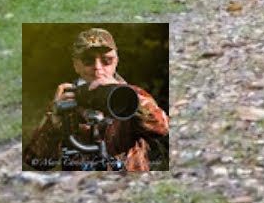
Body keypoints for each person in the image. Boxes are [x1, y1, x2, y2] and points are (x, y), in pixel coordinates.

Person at [23, 28, 169, 171]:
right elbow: (37, 162)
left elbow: (162, 129)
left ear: (116, 62)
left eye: (106, 61)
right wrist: (54, 124)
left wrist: (128, 100)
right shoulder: (67, 100)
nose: (98, 68)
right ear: (76, 65)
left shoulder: (134, 95)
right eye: (88, 61)